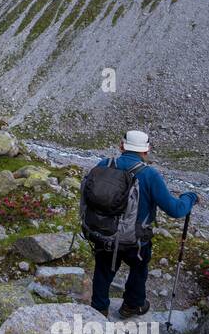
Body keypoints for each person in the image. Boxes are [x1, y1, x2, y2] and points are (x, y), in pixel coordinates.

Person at [80, 129, 197, 319]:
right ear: (146, 150)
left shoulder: (104, 164)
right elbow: (175, 210)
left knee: (103, 268)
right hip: (134, 239)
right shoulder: (150, 175)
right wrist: (190, 197)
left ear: (121, 146)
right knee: (138, 267)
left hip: (103, 232)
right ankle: (132, 305)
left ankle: (99, 309)